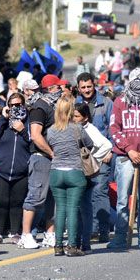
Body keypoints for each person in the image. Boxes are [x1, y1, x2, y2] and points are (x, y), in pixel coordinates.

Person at [108, 68, 140, 250]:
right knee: (123, 199)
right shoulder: (120, 102)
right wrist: (130, 150)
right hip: (125, 157)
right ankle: (120, 234)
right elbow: (114, 129)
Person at [19, 74, 66, 249]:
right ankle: (25, 235)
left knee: (53, 198)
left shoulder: (57, 107)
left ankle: (50, 234)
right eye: (57, 87)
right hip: (42, 158)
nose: (60, 90)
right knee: (35, 197)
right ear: (49, 89)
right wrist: (52, 153)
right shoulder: (40, 107)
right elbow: (36, 136)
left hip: (56, 158)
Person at [47, 97, 93, 257]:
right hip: (74, 171)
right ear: (70, 111)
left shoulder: (51, 130)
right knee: (73, 209)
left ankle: (58, 246)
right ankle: (72, 246)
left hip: (56, 172)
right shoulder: (77, 128)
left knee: (60, 209)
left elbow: (51, 144)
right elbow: (90, 144)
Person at [0, 92, 31, 245]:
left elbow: (33, 143)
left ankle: (15, 233)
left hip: (21, 170)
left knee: (17, 202)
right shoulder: (3, 122)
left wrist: (23, 130)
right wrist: (3, 118)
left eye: (19, 105)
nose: (16, 108)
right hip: (1, 170)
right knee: (1, 201)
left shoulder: (30, 122)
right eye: (12, 106)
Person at [75, 73, 113, 242]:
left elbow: (113, 130)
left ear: (94, 85)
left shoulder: (106, 103)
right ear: (78, 88)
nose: (86, 90)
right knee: (82, 195)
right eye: (83, 87)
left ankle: (102, 231)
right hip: (80, 158)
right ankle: (87, 230)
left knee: (99, 192)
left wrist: (110, 152)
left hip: (101, 155)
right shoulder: (74, 104)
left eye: (89, 86)